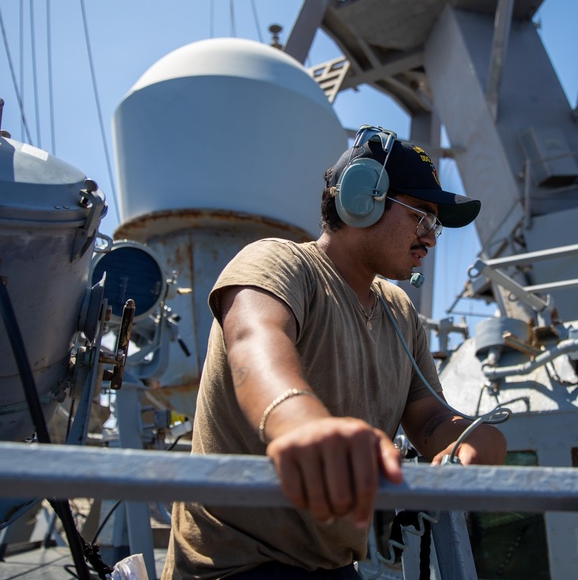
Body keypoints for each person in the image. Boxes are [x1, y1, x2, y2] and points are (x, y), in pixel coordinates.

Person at [163, 125, 508, 579]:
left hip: (333, 566)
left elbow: (427, 418)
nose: (431, 237)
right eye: (421, 216)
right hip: (231, 566)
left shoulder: (399, 311)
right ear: (362, 198)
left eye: (437, 225)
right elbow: (255, 343)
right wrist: (303, 426)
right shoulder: (278, 263)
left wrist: (470, 439)